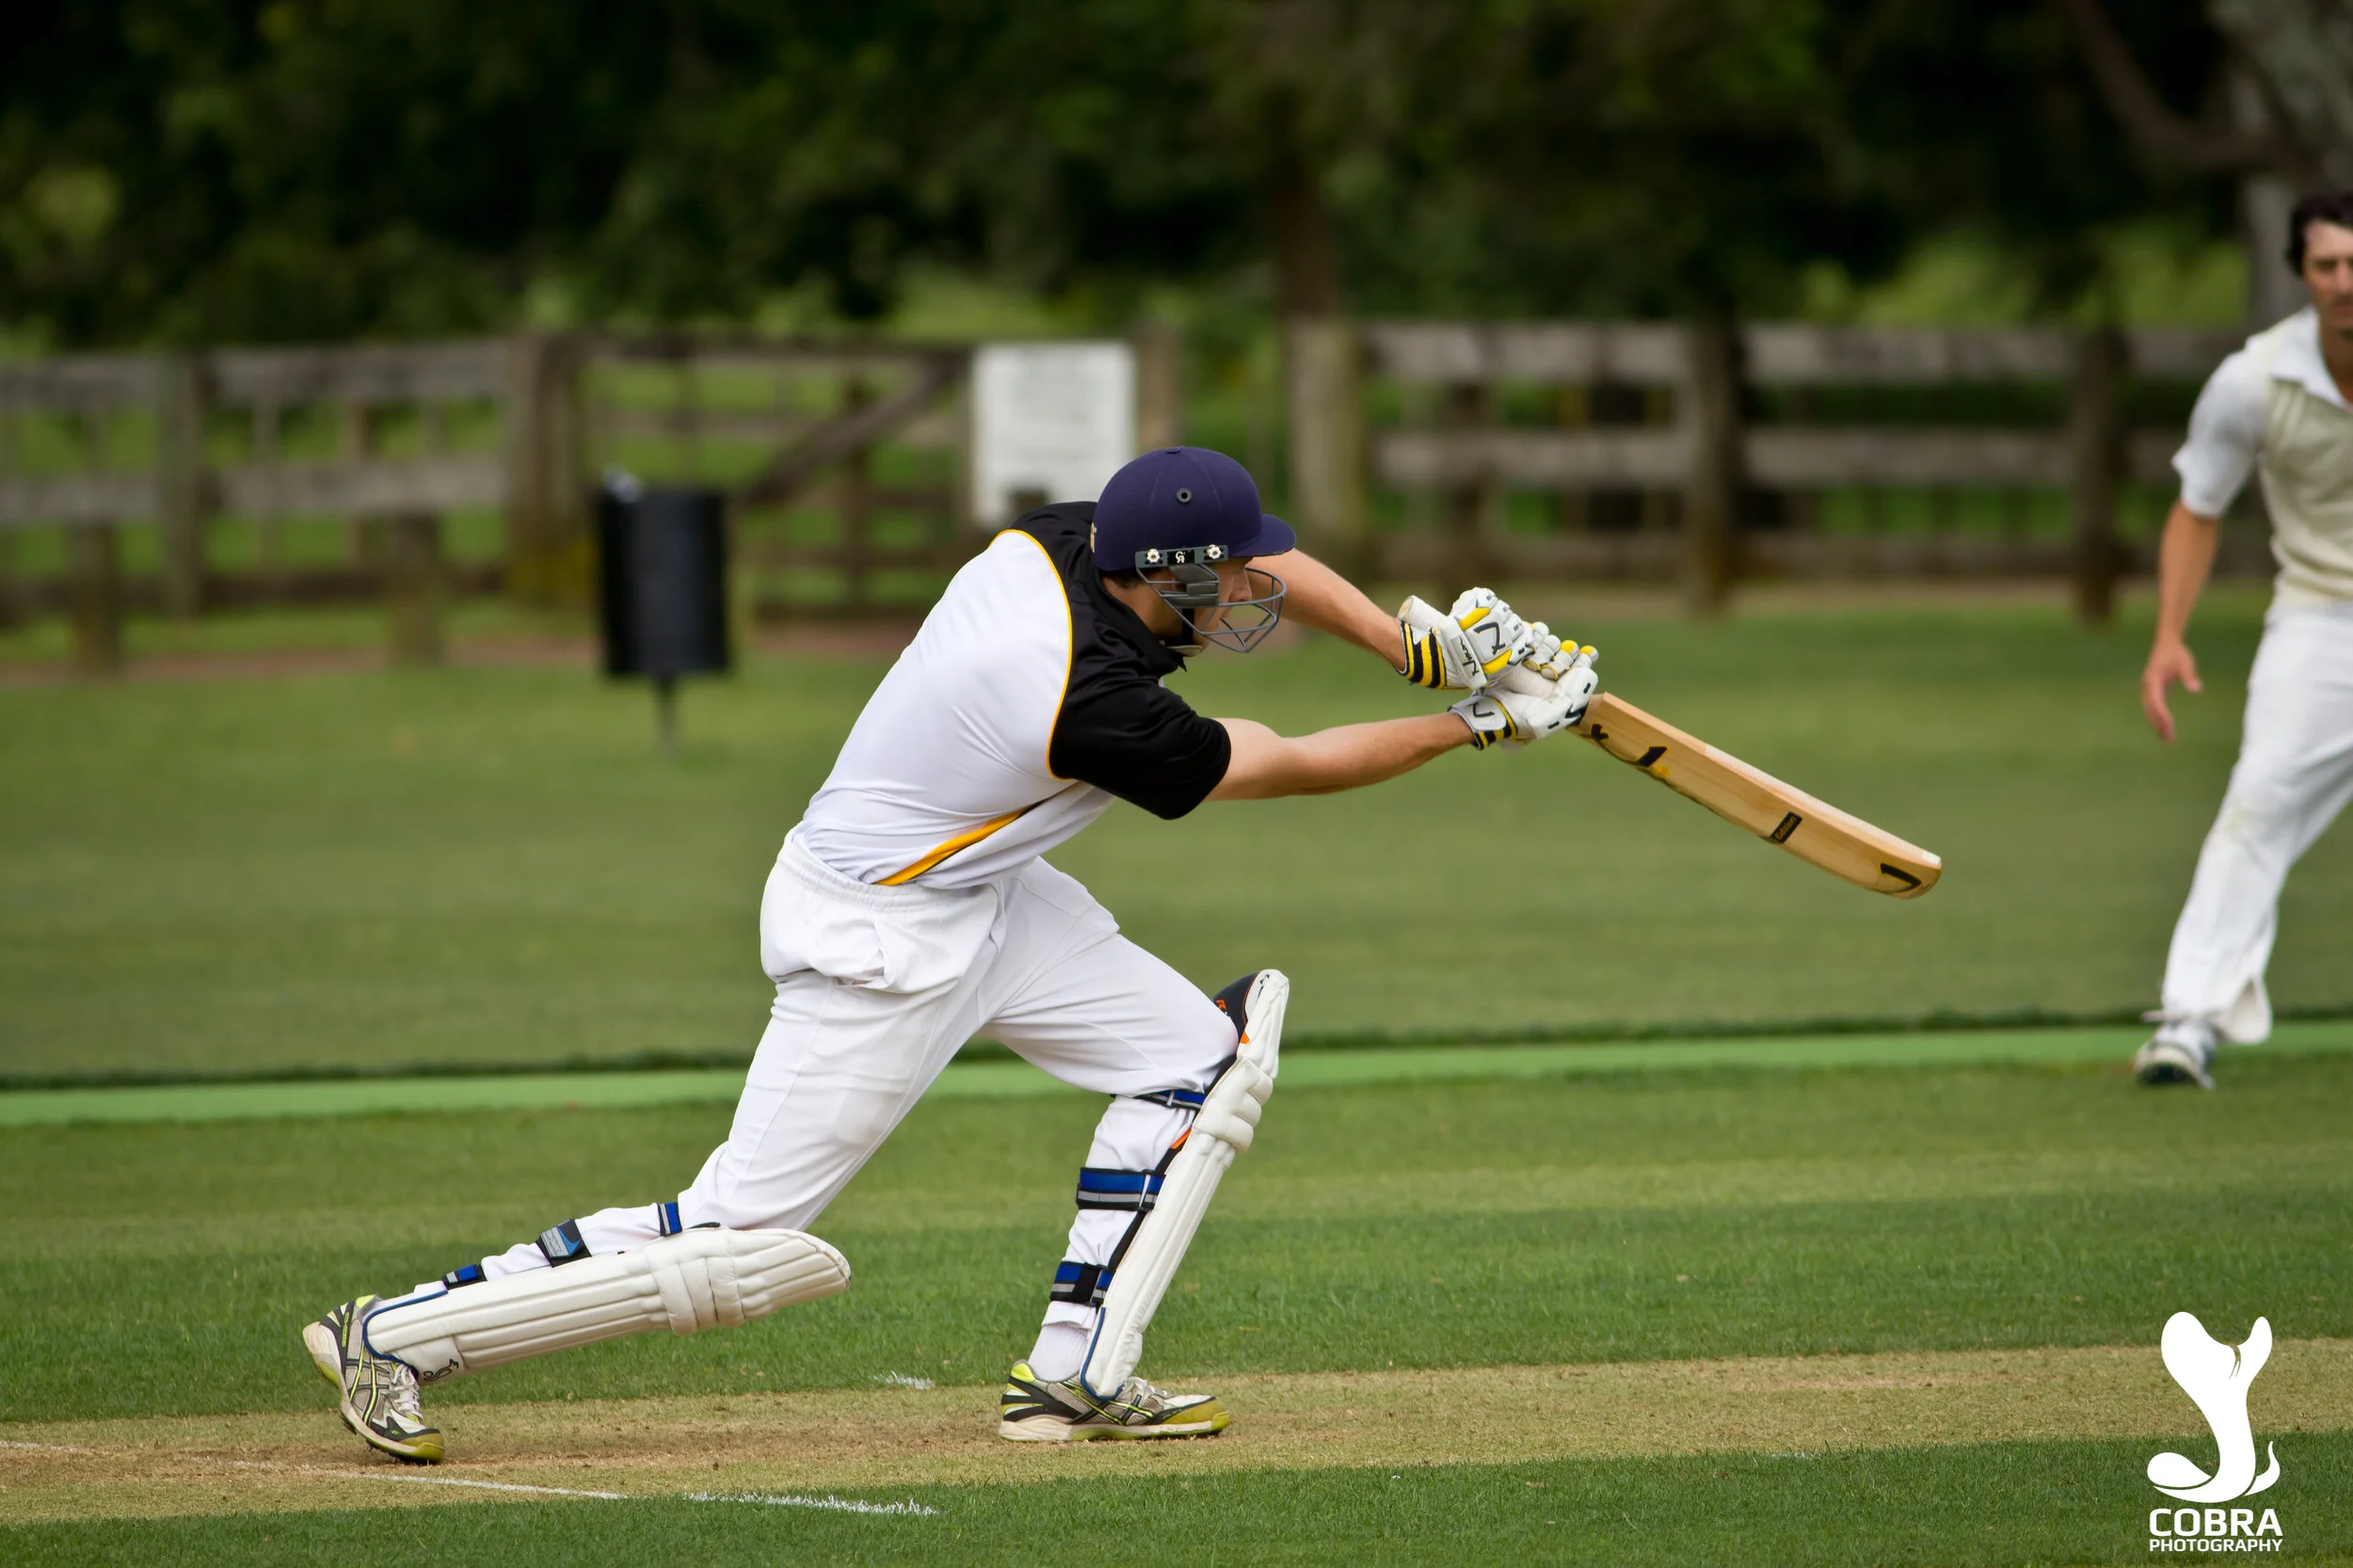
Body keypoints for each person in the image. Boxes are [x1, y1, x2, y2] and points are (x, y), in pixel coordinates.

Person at [301, 444, 1597, 1461]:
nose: (1254, 591)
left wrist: (1415, 648)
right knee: (740, 1238)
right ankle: (397, 1333)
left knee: (1200, 1059)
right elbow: (1288, 762)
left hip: (982, 890)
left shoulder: (1077, 534)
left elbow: (1269, 554)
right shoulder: (1085, 697)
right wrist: (1478, 723)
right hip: (880, 932)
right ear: (1166, 580)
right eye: (1229, 580)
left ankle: (1076, 1372)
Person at [2136, 189, 2353, 1088]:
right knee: (2258, 801)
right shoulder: (2253, 379)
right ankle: (2188, 1021)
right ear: (2301, 274)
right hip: (2322, 619)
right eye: (2328, 265)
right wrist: (2169, 638)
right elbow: (2198, 508)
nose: (2346, 282)